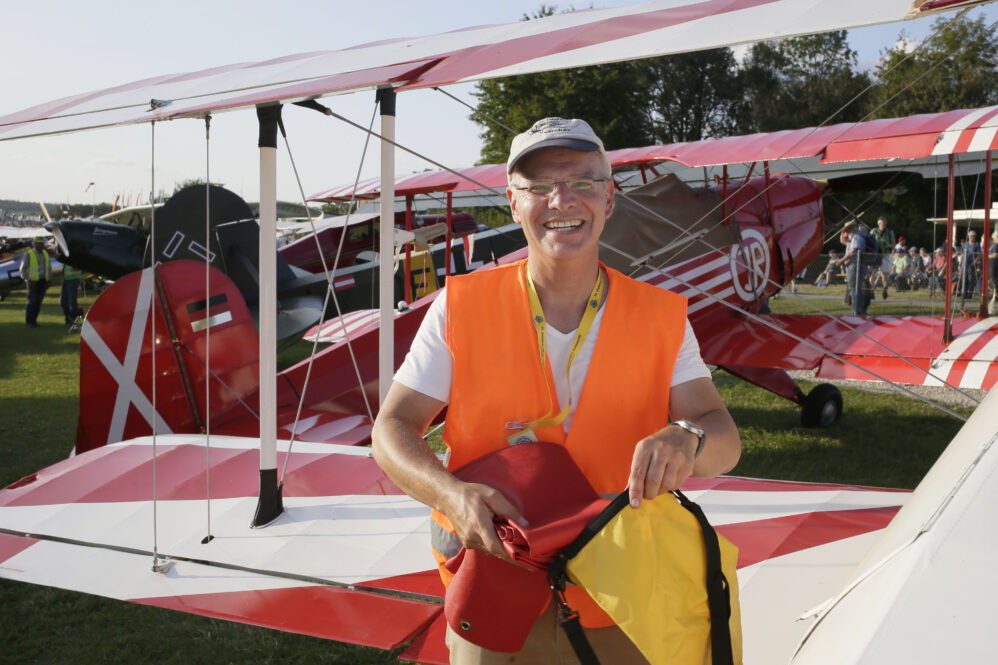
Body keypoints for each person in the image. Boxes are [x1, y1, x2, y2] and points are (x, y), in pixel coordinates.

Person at [371, 117, 741, 664]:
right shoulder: (460, 306)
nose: (561, 200)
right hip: (496, 585)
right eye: (539, 186)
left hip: (620, 593)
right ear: (513, 203)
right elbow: (391, 428)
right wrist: (449, 495)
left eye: (582, 182)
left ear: (609, 199)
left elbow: (723, 439)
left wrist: (687, 437)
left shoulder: (660, 317)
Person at [835, 220, 871, 315]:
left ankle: (856, 311)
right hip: (853, 265)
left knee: (854, 289)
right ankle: (857, 310)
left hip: (855, 265)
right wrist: (842, 232)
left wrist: (841, 260)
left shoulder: (856, 237)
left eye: (846, 229)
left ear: (851, 228)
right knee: (854, 289)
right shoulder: (852, 237)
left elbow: (852, 252)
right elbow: (843, 241)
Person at [19, 236, 51, 328]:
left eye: (42, 244)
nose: (41, 245)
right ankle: (29, 322)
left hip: (43, 281)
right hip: (32, 282)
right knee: (32, 302)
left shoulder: (45, 253)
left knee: (38, 303)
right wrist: (28, 279)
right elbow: (23, 269)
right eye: (39, 244)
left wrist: (49, 281)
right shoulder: (29, 254)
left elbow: (49, 268)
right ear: (35, 244)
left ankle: (34, 321)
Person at [870, 216, 896, 299]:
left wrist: (888, 245)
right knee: (872, 273)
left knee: (884, 274)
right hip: (875, 254)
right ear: (878, 224)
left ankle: (885, 290)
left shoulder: (890, 232)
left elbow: (893, 244)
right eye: (882, 223)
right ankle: (871, 291)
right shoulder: (873, 231)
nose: (884, 225)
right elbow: (869, 241)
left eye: (885, 223)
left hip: (885, 255)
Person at [60, 262, 83, 326]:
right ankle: (69, 319)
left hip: (74, 279)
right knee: (63, 302)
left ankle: (74, 320)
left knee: (72, 302)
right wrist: (62, 279)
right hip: (65, 280)